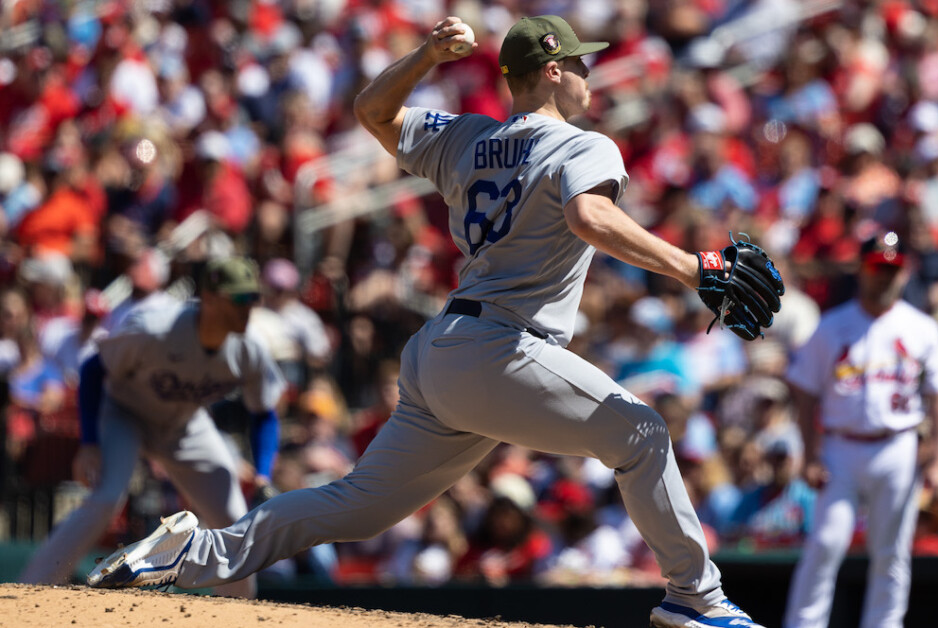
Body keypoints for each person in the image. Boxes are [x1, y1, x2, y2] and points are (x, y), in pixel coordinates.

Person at [87, 15, 765, 627]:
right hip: (503, 346)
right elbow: (589, 218)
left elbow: (371, 111)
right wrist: (692, 266)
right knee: (642, 434)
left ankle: (189, 550)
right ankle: (696, 599)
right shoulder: (584, 145)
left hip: (442, 351)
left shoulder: (466, 137)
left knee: (357, 506)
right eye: (581, 63)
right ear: (554, 71)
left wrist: (424, 56)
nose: (590, 74)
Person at [20, 257, 285, 599]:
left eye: (253, 298)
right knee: (105, 499)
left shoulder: (249, 349)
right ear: (209, 297)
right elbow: (93, 369)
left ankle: (241, 612)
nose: (248, 308)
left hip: (184, 423)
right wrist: (89, 444)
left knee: (234, 516)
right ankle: (30, 591)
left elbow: (264, 412)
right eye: (239, 298)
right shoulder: (156, 328)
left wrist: (263, 475)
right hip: (124, 412)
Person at [783, 231, 938, 628]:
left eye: (892, 269)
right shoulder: (833, 325)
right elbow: (805, 392)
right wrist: (810, 453)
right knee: (825, 543)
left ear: (905, 273)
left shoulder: (921, 328)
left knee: (891, 551)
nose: (884, 277)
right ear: (862, 270)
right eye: (877, 268)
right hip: (841, 446)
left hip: (898, 446)